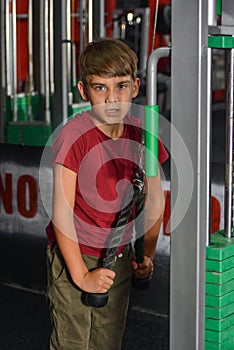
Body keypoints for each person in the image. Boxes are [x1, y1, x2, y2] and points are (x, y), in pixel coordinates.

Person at [46, 38, 168, 350]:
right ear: (84, 91)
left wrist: (147, 254)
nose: (112, 98)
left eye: (121, 86)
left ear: (136, 86)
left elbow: (154, 199)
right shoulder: (73, 137)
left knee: (107, 343)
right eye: (100, 88)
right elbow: (61, 213)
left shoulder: (143, 134)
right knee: (73, 344)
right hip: (75, 251)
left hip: (120, 254)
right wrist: (81, 275)